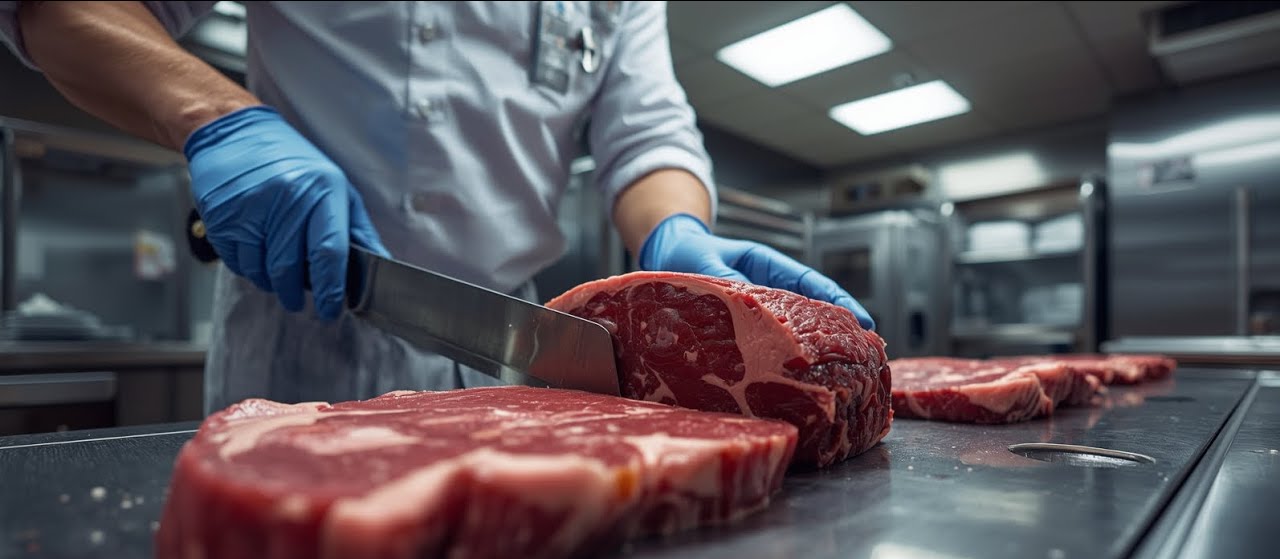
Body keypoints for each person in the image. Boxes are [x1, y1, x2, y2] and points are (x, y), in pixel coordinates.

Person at [1, 1, 874, 413]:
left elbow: (647, 135)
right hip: (308, 321)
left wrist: (677, 235)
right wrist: (223, 121)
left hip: (514, 348)